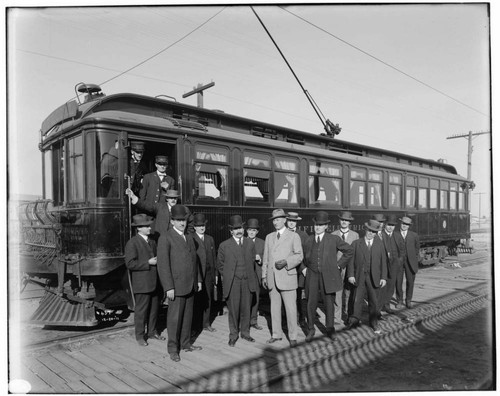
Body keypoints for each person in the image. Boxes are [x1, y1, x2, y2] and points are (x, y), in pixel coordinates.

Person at [157, 205, 202, 362]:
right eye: (178, 220)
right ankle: (173, 349)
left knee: (187, 317)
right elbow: (163, 265)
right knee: (174, 319)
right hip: (175, 286)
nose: (182, 223)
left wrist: (198, 280)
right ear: (172, 221)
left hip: (190, 284)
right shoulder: (166, 237)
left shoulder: (189, 237)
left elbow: (194, 261)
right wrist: (168, 286)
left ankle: (185, 344)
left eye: (183, 220)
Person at [302, 211, 353, 342]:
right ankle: (311, 329)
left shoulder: (333, 239)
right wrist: (303, 269)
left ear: (326, 226)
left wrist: (339, 265)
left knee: (329, 304)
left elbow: (349, 251)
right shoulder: (308, 240)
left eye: (321, 225)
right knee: (310, 303)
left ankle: (330, 329)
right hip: (312, 275)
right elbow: (301, 257)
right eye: (316, 225)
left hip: (328, 276)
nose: (317, 227)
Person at [262, 209, 303, 347]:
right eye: (274, 220)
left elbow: (299, 256)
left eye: (278, 219)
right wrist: (264, 276)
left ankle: (292, 336)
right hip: (272, 278)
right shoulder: (269, 237)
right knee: (274, 308)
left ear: (285, 220)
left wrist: (286, 262)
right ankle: (276, 334)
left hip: (287, 276)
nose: (275, 222)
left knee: (291, 309)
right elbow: (266, 258)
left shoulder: (293, 236)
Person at [217, 215, 258, 346]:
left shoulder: (249, 243)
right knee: (233, 310)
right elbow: (220, 264)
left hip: (247, 281)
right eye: (235, 229)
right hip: (233, 282)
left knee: (246, 308)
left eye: (240, 227)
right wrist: (230, 275)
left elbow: (252, 261)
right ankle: (233, 335)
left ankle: (245, 333)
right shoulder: (224, 245)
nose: (238, 231)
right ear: (231, 231)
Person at [124, 214, 165, 346]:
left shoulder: (152, 241)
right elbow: (130, 264)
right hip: (142, 284)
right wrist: (147, 263)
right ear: (138, 229)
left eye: (149, 225)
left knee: (154, 309)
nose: (149, 228)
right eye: (146, 226)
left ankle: (152, 332)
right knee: (141, 311)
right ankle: (140, 336)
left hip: (154, 282)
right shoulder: (132, 243)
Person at [346, 219, 387, 334]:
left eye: (373, 232)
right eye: (369, 230)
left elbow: (384, 262)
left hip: (374, 277)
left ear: (376, 233)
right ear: (365, 229)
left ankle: (374, 323)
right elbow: (351, 261)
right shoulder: (356, 243)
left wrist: (383, 277)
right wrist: (351, 275)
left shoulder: (380, 244)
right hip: (359, 276)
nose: (371, 233)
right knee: (356, 299)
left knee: (374, 301)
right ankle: (354, 321)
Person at [126, 188, 193, 237]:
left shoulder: (184, 209)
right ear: (167, 199)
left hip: (177, 239)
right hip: (162, 239)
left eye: (175, 198)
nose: (173, 200)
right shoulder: (160, 207)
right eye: (171, 198)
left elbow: (191, 222)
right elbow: (146, 206)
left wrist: (187, 235)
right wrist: (133, 197)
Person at [331, 211, 359, 324]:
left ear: (349, 222)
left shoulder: (355, 235)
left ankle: (348, 314)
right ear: (339, 221)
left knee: (349, 291)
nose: (344, 222)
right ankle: (336, 317)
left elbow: (356, 253)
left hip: (349, 267)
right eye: (342, 220)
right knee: (337, 292)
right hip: (337, 267)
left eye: (346, 220)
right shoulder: (333, 235)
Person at [192, 213, 218, 333]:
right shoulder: (191, 238)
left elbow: (214, 258)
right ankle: (196, 325)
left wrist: (215, 274)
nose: (202, 227)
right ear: (195, 227)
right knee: (197, 300)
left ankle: (206, 323)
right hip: (197, 274)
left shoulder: (210, 239)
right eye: (199, 225)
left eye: (203, 225)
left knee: (208, 299)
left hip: (208, 274)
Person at [285, 212, 309, 326]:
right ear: (286, 221)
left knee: (298, 296)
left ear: (296, 222)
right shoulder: (282, 234)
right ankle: (288, 319)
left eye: (293, 221)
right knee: (286, 296)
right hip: (285, 270)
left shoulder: (303, 235)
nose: (291, 223)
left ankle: (301, 318)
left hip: (298, 270)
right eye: (289, 220)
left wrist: (304, 268)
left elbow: (306, 254)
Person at [379, 214, 405, 314]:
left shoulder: (398, 236)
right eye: (389, 225)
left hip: (394, 265)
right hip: (383, 265)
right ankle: (379, 306)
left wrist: (399, 261)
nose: (391, 227)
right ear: (385, 224)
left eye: (393, 225)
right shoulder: (381, 235)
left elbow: (402, 250)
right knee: (382, 286)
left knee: (391, 286)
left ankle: (386, 305)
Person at [395, 216, 420, 309]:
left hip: (410, 262)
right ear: (400, 224)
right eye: (403, 223)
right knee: (398, 282)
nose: (404, 225)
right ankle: (399, 300)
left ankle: (408, 300)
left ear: (409, 226)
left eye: (406, 224)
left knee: (410, 281)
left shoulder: (414, 235)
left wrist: (413, 258)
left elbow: (417, 248)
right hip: (398, 262)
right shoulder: (395, 234)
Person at [246, 218, 265, 330]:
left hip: (256, 275)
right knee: (246, 299)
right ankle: (245, 321)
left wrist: (260, 259)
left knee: (256, 299)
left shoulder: (262, 243)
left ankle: (253, 320)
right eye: (250, 230)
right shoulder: (242, 241)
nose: (252, 232)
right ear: (246, 231)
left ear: (257, 232)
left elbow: (266, 257)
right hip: (245, 275)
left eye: (254, 230)